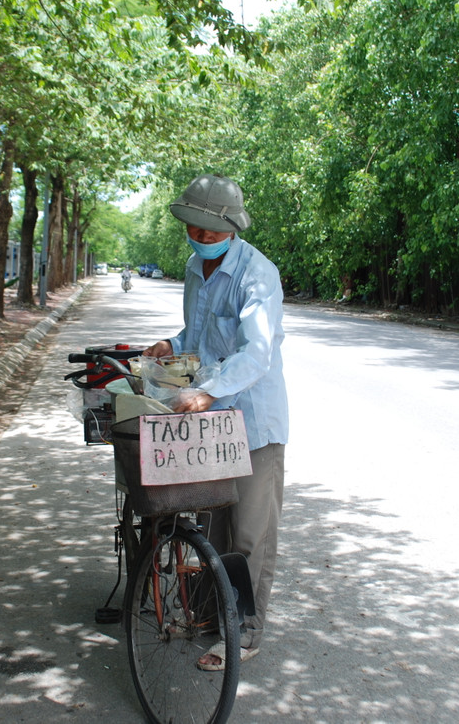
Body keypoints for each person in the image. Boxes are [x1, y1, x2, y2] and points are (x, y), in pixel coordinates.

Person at [142, 173, 288, 670]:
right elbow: (199, 335)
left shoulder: (257, 274)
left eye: (211, 230)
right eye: (194, 228)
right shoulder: (193, 267)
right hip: (207, 422)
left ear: (232, 228)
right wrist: (172, 344)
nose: (201, 237)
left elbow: (256, 352)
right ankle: (208, 615)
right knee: (209, 523)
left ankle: (243, 635)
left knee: (249, 535)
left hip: (253, 422)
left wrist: (210, 391)